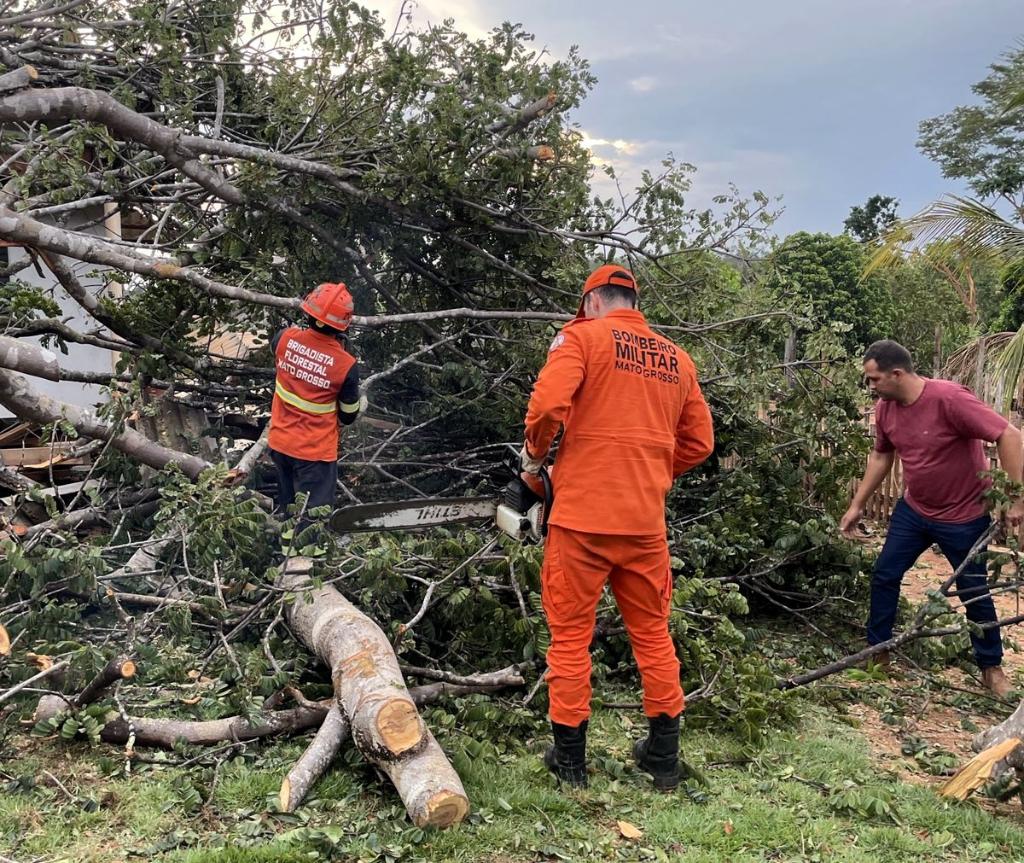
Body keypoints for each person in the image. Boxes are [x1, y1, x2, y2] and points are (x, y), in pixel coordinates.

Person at [519, 264, 714, 791]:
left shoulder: (581, 338)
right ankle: (663, 759)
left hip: (580, 523)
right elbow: (699, 444)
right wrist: (648, 470)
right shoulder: (677, 358)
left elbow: (546, 407)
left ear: (591, 303)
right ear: (632, 301)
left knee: (569, 639)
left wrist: (535, 464)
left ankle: (571, 763)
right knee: (653, 635)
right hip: (644, 525)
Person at [840, 340, 1024, 697]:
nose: (871, 386)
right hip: (915, 511)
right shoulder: (885, 410)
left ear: (897, 374)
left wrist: (1016, 498)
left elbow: (1009, 434)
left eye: (874, 379)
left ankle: (991, 668)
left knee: (974, 592)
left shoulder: (949, 399)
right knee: (885, 574)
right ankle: (878, 653)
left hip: (964, 516)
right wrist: (857, 505)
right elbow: (882, 457)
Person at [268, 282, 363, 521]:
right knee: (312, 520)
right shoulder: (345, 365)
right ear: (343, 326)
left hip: (280, 444)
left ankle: (286, 552)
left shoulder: (283, 339)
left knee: (289, 510)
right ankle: (310, 557)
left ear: (308, 312)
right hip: (314, 453)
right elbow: (348, 416)